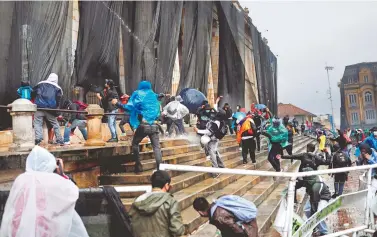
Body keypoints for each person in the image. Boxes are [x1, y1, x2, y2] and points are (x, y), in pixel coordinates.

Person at [0, 146, 88, 236]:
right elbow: (73, 192)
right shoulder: (53, 181)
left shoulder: (21, 179)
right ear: (50, 163)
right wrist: (61, 173)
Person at [113, 81, 162, 173]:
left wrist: (117, 103)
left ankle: (138, 165)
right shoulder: (153, 95)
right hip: (155, 125)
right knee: (156, 147)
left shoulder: (137, 94)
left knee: (135, 144)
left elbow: (129, 108)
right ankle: (160, 168)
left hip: (144, 125)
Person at [129, 170, 185, 237]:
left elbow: (130, 225)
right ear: (167, 185)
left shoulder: (137, 201)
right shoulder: (170, 202)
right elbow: (177, 230)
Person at [193, 196, 258, 237]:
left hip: (249, 231)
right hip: (250, 226)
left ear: (200, 212)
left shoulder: (219, 217)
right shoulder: (217, 203)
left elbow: (239, 231)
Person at [32, 73, 64, 145]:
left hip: (39, 107)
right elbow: (58, 100)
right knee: (55, 124)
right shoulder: (58, 88)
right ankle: (59, 140)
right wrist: (57, 111)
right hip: (50, 109)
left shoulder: (40, 84)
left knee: (37, 123)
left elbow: (33, 93)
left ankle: (38, 139)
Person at [195, 109, 227, 178]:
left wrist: (198, 130)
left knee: (212, 154)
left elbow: (208, 131)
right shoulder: (221, 121)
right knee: (215, 152)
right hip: (215, 139)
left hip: (212, 139)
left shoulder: (216, 122)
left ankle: (216, 172)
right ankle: (221, 166)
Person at [300, 167, 331, 236]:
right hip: (314, 196)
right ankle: (315, 226)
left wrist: (313, 218)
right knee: (306, 209)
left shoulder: (316, 186)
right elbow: (301, 183)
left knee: (319, 214)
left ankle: (324, 232)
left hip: (323, 197)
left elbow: (314, 205)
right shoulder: (311, 178)